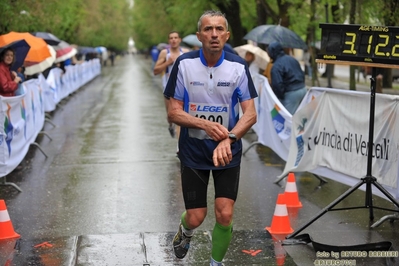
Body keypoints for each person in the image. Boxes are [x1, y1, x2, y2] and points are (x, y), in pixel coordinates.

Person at [164, 10, 258, 266]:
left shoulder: (238, 66)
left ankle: (216, 263)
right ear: (198, 36)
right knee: (196, 216)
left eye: (219, 29)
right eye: (208, 29)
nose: (214, 34)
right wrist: (204, 124)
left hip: (227, 150)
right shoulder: (184, 65)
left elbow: (250, 114)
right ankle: (186, 231)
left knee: (224, 214)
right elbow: (173, 112)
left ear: (227, 35)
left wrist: (229, 138)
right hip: (193, 150)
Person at [153, 31, 189, 138]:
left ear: (179, 40)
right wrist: (167, 63)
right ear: (169, 41)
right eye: (171, 38)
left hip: (183, 89)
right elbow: (155, 71)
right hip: (169, 89)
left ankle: (180, 145)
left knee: (180, 117)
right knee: (171, 116)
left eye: (175, 38)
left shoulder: (186, 52)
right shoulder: (165, 53)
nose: (173, 40)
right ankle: (170, 125)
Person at [267, 42, 307, 114]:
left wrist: (280, 98)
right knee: (300, 116)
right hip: (303, 89)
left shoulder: (276, 66)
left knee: (289, 119)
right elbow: (301, 73)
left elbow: (277, 85)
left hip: (291, 93)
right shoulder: (292, 59)